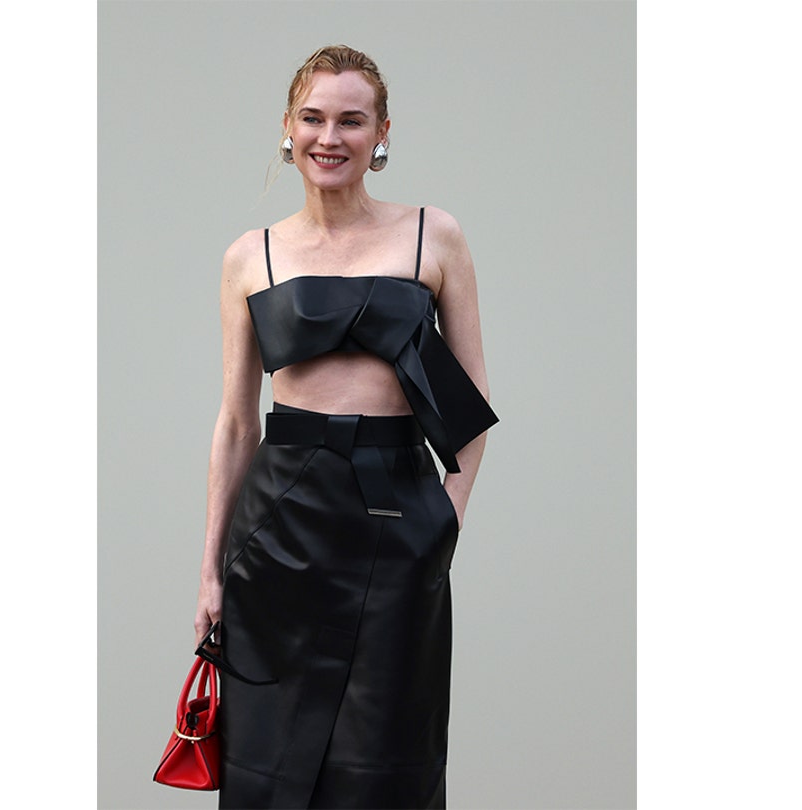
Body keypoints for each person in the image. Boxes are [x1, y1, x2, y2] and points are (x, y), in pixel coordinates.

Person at [194, 44, 498, 809]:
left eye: (352, 121)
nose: (330, 137)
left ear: (381, 132)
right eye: (314, 118)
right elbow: (236, 425)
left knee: (387, 754)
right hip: (280, 524)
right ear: (289, 128)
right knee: (267, 752)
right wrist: (210, 571)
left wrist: (444, 522)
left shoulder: (433, 235)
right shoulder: (251, 254)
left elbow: (471, 407)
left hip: (397, 514)